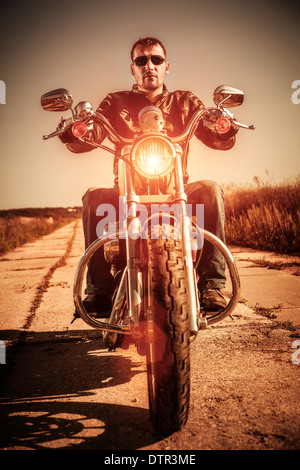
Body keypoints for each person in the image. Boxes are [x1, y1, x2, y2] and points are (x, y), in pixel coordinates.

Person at [59, 36, 238, 316]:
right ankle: (99, 290)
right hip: (126, 193)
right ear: (133, 68)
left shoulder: (186, 101)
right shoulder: (115, 101)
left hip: (176, 190)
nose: (149, 65)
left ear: (167, 66)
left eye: (156, 59)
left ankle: (212, 285)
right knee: (94, 196)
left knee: (211, 189)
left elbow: (216, 137)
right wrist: (76, 130)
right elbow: (89, 136)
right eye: (141, 60)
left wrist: (224, 127)